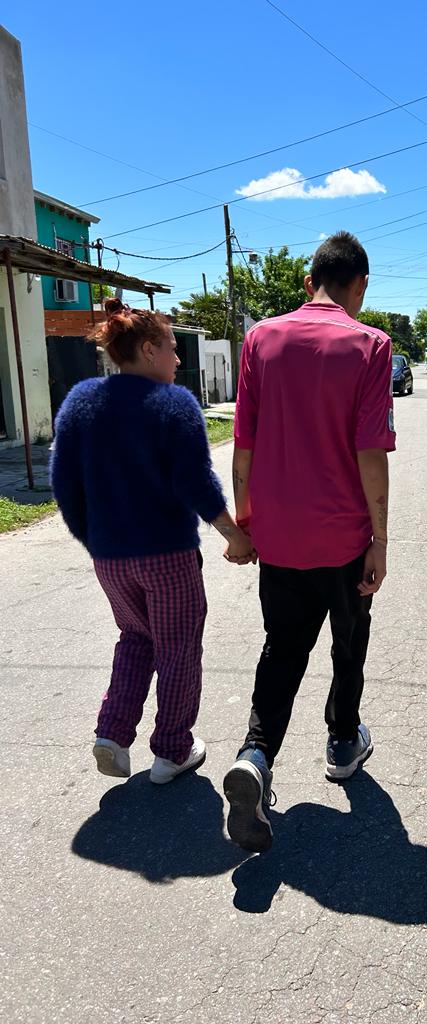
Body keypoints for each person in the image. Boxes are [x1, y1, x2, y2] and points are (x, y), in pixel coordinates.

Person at [222, 231, 396, 853]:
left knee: (282, 648)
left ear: (308, 282)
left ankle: (255, 756)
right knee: (348, 644)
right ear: (360, 285)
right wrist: (380, 537)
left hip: (280, 538)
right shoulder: (371, 346)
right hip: (344, 537)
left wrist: (244, 525)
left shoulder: (260, 339)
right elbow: (370, 452)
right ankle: (343, 743)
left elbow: (244, 440)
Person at [51, 299, 254, 785]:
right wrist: (236, 537)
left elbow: (64, 485)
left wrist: (95, 540)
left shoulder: (81, 400)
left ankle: (113, 734)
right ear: (146, 350)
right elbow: (195, 483)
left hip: (110, 559)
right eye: (171, 349)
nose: (178, 359)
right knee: (178, 648)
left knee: (135, 639)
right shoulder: (173, 404)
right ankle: (171, 751)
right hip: (166, 558)